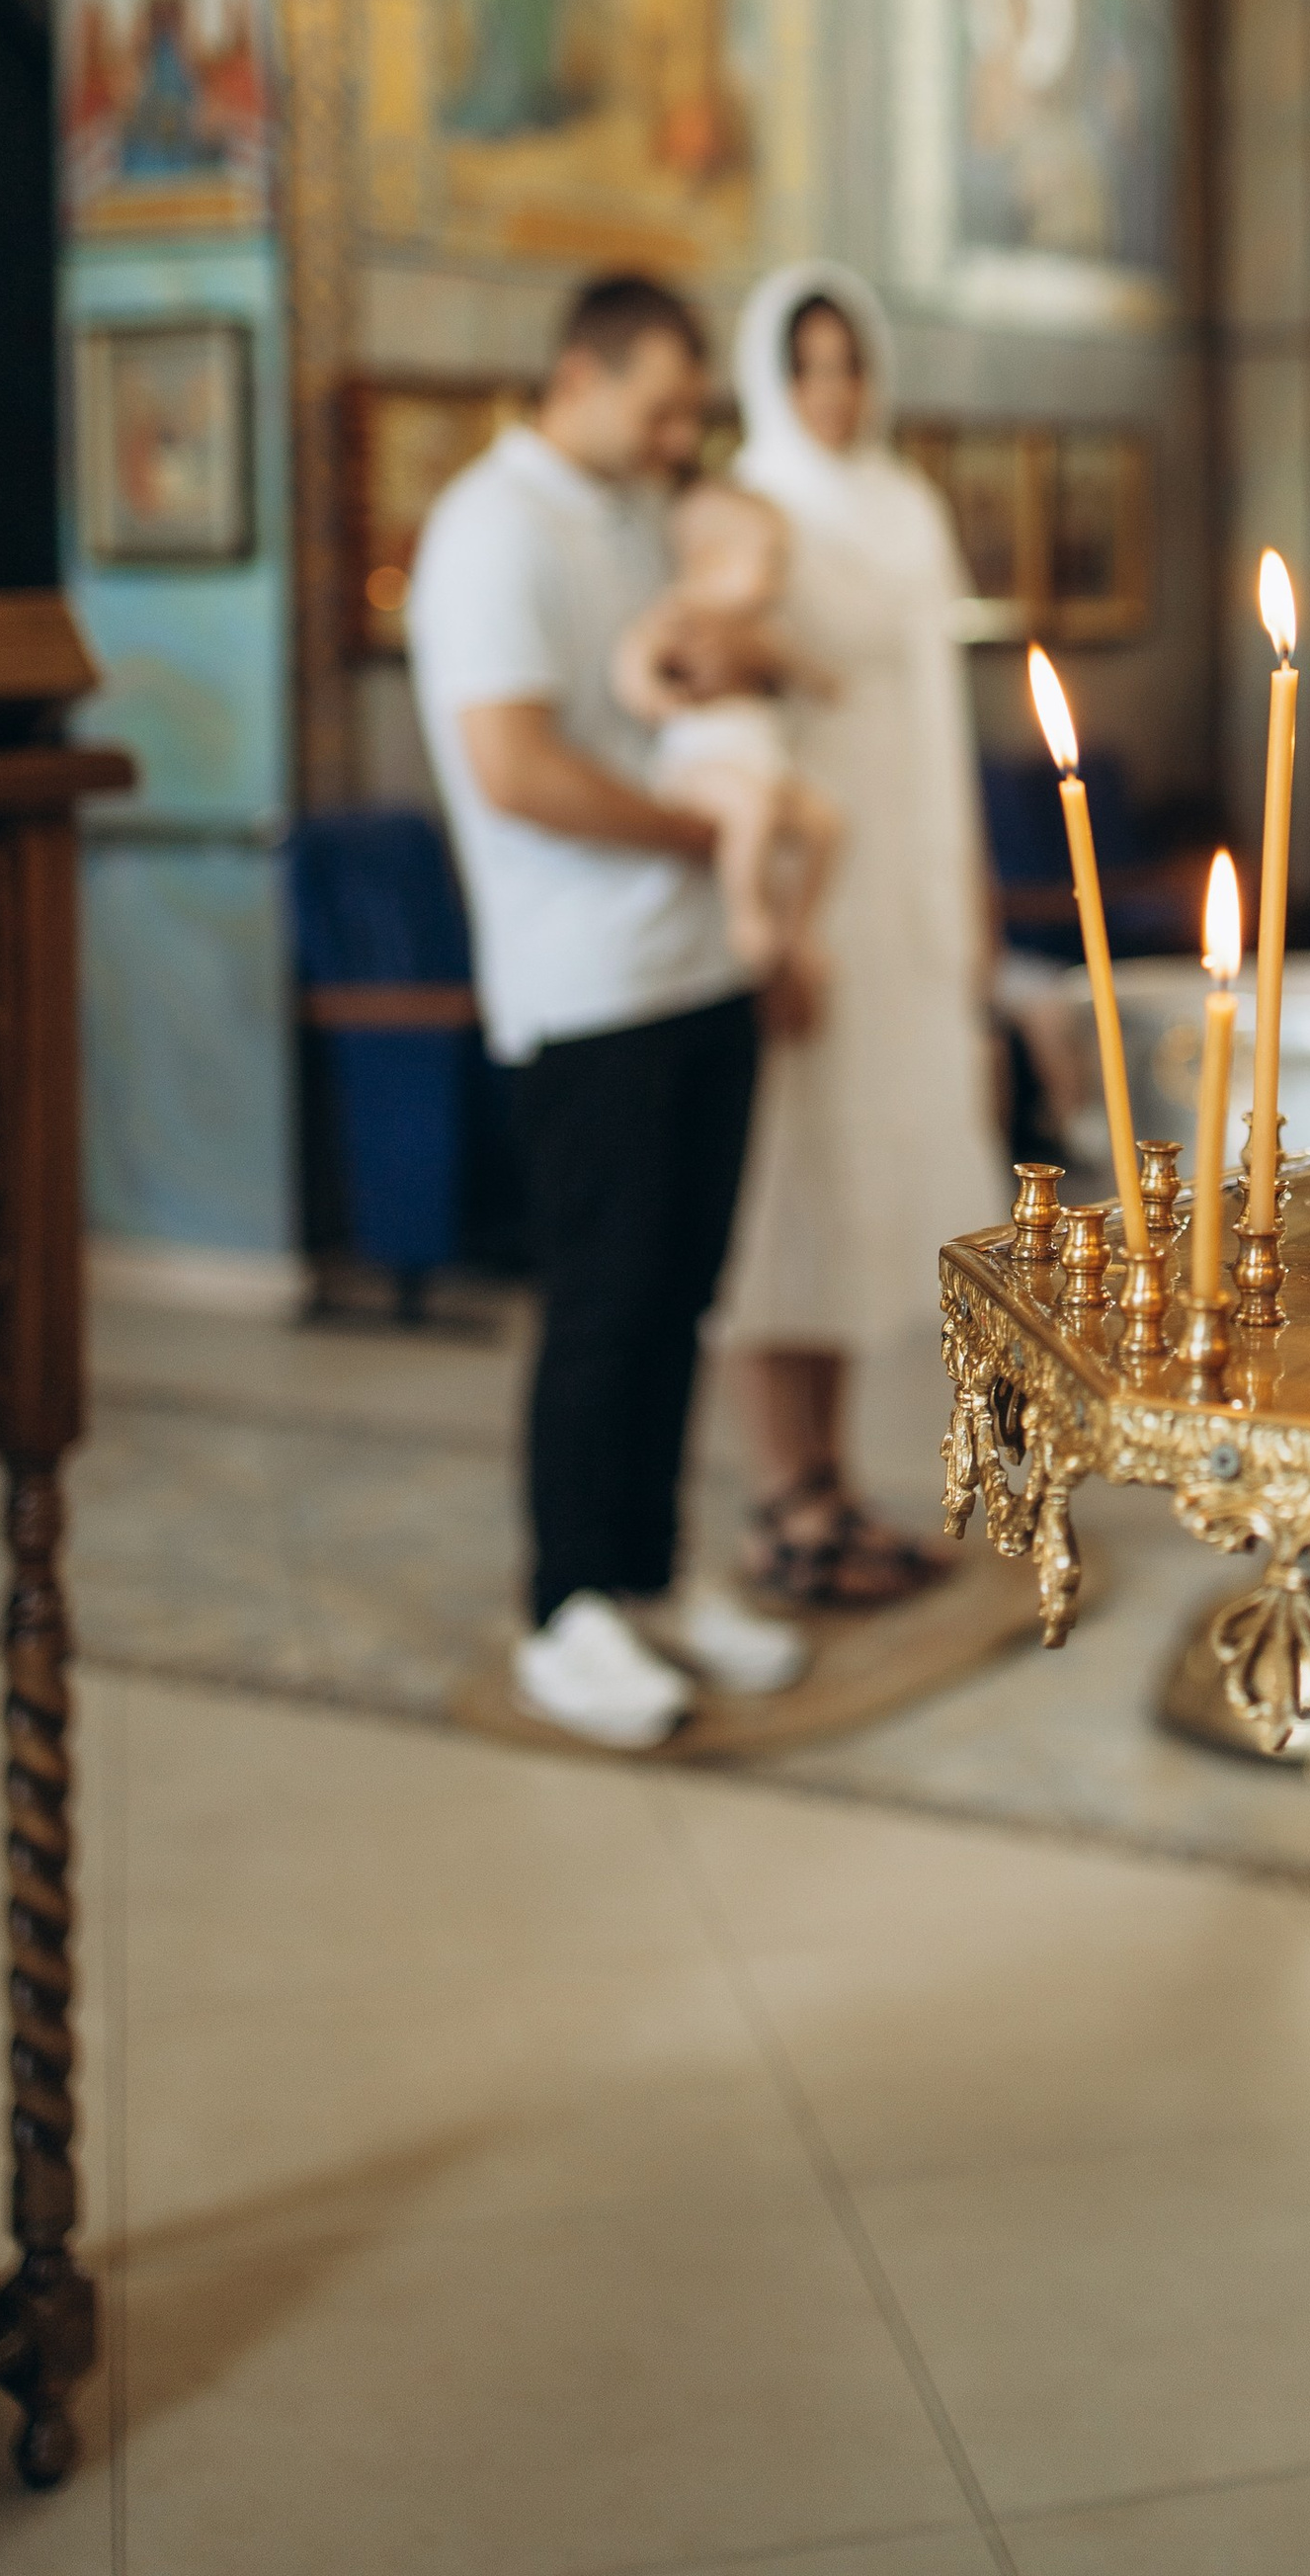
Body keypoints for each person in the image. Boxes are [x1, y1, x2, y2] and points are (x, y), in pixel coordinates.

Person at [407, 273, 810, 1748]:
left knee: (683, 1297)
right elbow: (514, 767)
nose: (680, 431)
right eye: (662, 403)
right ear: (581, 371)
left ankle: (649, 1577)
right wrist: (704, 833)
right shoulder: (489, 529)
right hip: (587, 984)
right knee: (602, 1300)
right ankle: (565, 1609)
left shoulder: (643, 514)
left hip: (702, 966)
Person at [713, 259, 1007, 1605]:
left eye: (848, 365)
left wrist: (970, 890)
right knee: (788, 1181)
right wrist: (770, 916)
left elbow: (944, 722)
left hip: (905, 877)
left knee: (866, 1188)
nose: (831, 392)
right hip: (806, 880)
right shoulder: (751, 510)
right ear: (769, 379)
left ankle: (836, 1483)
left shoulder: (904, 505)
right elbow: (735, 725)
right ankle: (787, 1491)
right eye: (805, 367)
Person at [612, 477, 839, 992]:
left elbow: (794, 664)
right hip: (701, 765)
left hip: (761, 765)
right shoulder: (680, 615)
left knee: (826, 825)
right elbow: (633, 655)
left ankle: (799, 926)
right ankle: (747, 914)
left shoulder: (757, 628)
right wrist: (649, 693)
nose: (783, 578)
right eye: (772, 560)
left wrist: (820, 682)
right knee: (749, 811)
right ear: (712, 559)